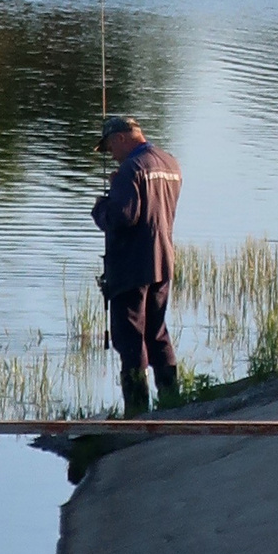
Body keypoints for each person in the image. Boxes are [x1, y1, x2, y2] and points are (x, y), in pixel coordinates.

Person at [89, 112, 184, 413]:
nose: (112, 156)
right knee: (157, 333)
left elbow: (123, 217)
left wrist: (102, 206)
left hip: (131, 266)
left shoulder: (132, 168)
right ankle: (171, 402)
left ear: (120, 138)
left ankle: (136, 411)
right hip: (162, 261)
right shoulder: (170, 163)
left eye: (110, 148)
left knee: (129, 338)